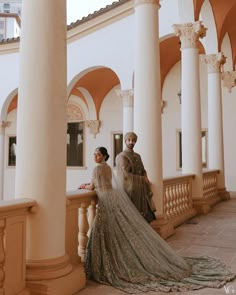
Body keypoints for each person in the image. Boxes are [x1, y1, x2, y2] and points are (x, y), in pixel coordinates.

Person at [79, 146, 235, 294]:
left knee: (104, 230)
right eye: (94, 154)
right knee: (112, 230)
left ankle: (105, 263)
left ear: (104, 156)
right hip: (111, 197)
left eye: (98, 154)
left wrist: (83, 185)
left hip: (105, 200)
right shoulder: (106, 168)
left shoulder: (97, 168)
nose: (95, 156)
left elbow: (93, 187)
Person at [115, 132, 156, 223]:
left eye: (133, 140)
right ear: (125, 141)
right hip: (130, 192)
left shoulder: (137, 156)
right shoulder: (121, 156)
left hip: (141, 191)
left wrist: (145, 177)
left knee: (145, 217)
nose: (131, 142)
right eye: (129, 140)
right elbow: (124, 175)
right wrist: (142, 179)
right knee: (132, 219)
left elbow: (143, 170)